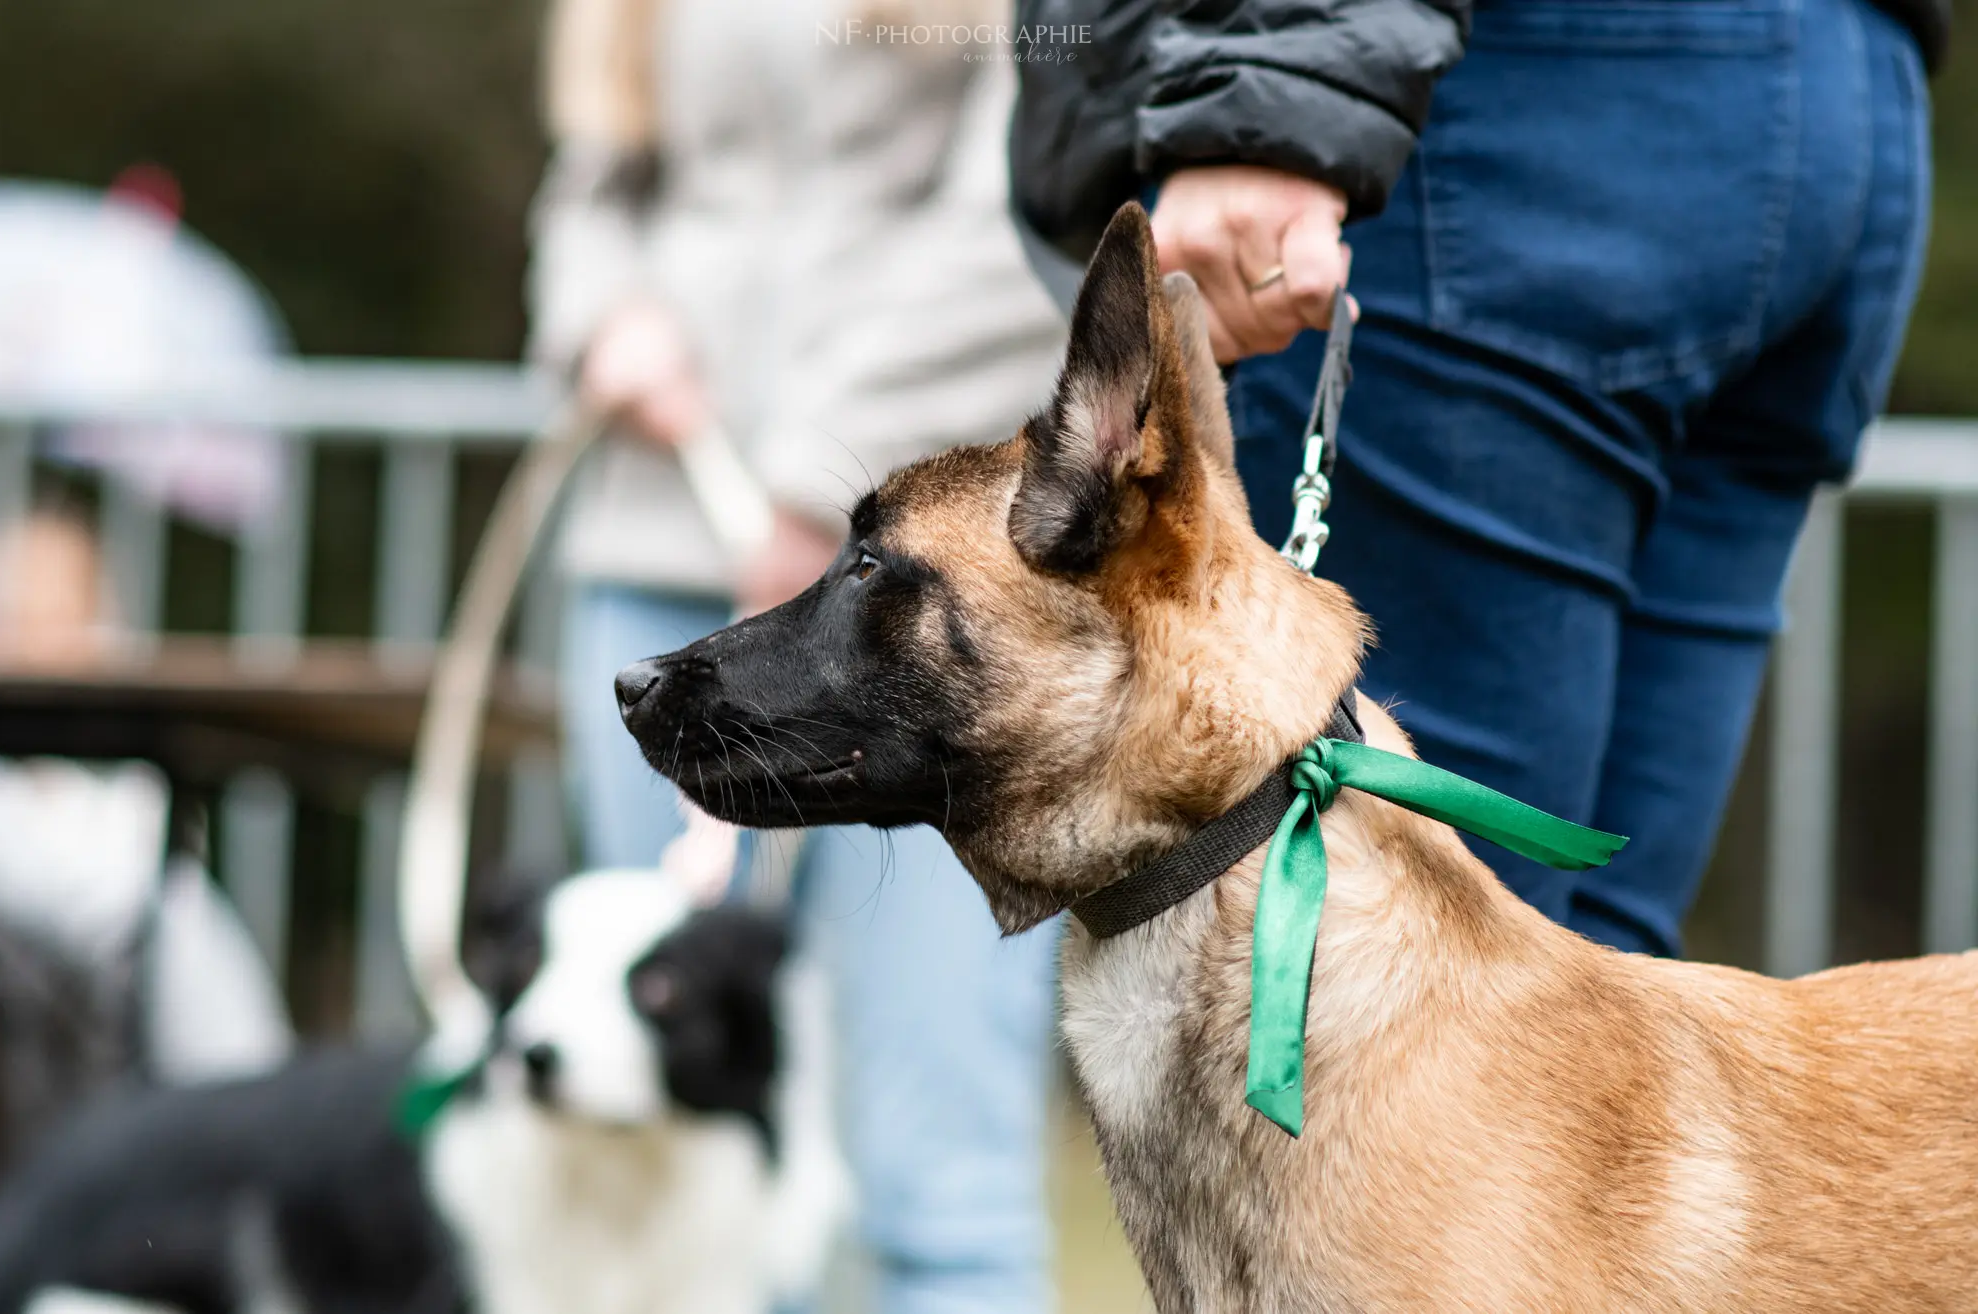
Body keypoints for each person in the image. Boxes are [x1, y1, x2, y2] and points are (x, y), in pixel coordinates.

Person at [1009, 0, 1941, 956]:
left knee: (1415, 1004)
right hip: (1852, 94)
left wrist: (1267, 94)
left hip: (1502, 99)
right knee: (1598, 1010)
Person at [527, 2, 1067, 1311]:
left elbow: (1036, 192)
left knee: (933, 1170)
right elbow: (594, 184)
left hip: (912, 588)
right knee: (663, 1129)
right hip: (651, 546)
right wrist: (606, 318)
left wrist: (810, 476)